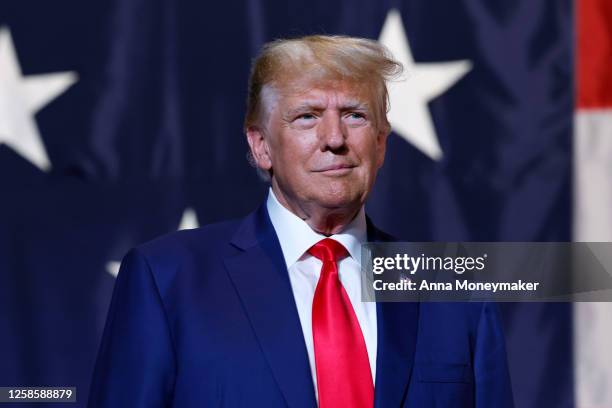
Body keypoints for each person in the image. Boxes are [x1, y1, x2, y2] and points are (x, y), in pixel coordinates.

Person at [88, 35, 514, 407]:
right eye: (307, 116)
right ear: (260, 147)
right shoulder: (167, 279)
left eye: (355, 114)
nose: (334, 139)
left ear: (381, 144)